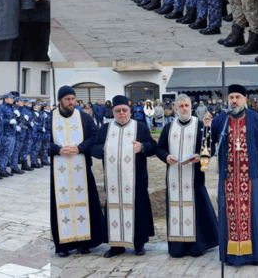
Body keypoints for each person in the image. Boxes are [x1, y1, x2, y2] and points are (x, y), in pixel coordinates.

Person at [204, 84, 258, 266]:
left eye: (237, 97)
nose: (234, 101)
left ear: (245, 99)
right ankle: (231, 255)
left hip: (250, 177)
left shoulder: (256, 119)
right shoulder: (221, 120)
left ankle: (255, 255)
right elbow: (211, 146)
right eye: (231, 97)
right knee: (229, 216)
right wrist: (205, 137)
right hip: (227, 178)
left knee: (254, 215)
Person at [90, 95, 157, 258]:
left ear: (130, 111)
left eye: (124, 110)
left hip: (136, 180)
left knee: (137, 209)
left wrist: (142, 147)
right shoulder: (105, 129)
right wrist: (103, 149)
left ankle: (138, 244)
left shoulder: (140, 127)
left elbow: (153, 146)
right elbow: (94, 147)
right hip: (113, 181)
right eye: (118, 111)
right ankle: (116, 246)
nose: (121, 113)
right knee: (114, 210)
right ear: (113, 112)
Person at [155, 95, 219, 257]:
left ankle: (197, 246)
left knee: (196, 211)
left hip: (194, 177)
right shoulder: (169, 127)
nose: (184, 108)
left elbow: (209, 146)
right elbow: (160, 149)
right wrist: (166, 157)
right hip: (174, 176)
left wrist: (200, 156)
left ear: (191, 107)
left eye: (186, 106)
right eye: (181, 106)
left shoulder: (199, 125)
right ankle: (178, 247)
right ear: (176, 109)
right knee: (176, 211)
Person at [51, 85, 106, 257]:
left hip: (81, 167)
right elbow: (41, 141)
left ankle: (85, 243)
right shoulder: (50, 118)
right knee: (61, 206)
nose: (71, 102)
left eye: (73, 99)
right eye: (67, 99)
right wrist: (57, 150)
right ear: (60, 100)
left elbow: (94, 137)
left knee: (86, 203)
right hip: (59, 171)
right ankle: (63, 246)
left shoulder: (83, 117)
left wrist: (81, 148)